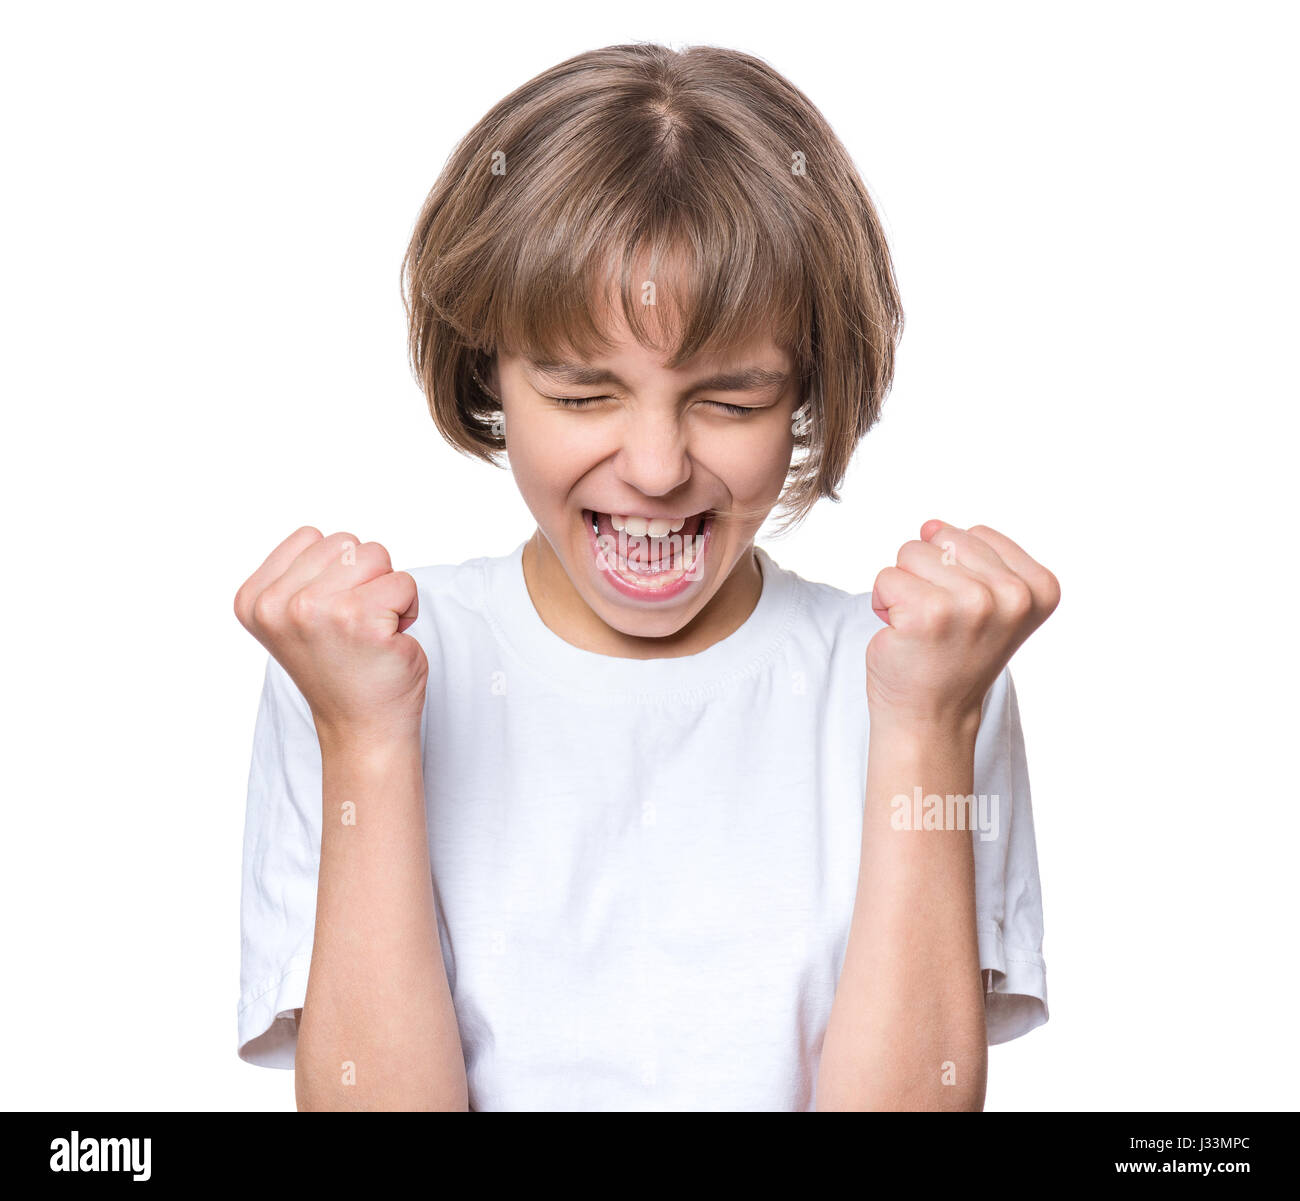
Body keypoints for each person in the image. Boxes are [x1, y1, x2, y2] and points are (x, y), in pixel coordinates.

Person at [234, 42, 1060, 1111]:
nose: (659, 467)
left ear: (807, 391)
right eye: (583, 395)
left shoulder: (925, 674)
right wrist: (365, 739)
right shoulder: (360, 665)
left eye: (732, 400)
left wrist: (929, 726)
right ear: (490, 371)